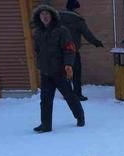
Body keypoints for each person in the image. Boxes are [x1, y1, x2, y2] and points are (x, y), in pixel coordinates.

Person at [31, 4, 85, 133]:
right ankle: (46, 125)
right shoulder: (37, 33)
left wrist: (68, 65)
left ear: (52, 16)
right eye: (42, 14)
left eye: (47, 14)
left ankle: (80, 117)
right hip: (46, 72)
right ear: (39, 17)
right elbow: (37, 50)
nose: (44, 17)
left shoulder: (61, 31)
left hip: (60, 71)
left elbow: (69, 49)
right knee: (45, 100)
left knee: (69, 96)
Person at [60, 0, 104, 101]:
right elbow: (87, 35)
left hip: (61, 52)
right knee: (76, 74)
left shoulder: (58, 19)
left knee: (65, 73)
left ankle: (67, 94)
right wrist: (96, 43)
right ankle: (77, 94)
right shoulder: (78, 20)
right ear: (75, 8)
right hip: (73, 52)